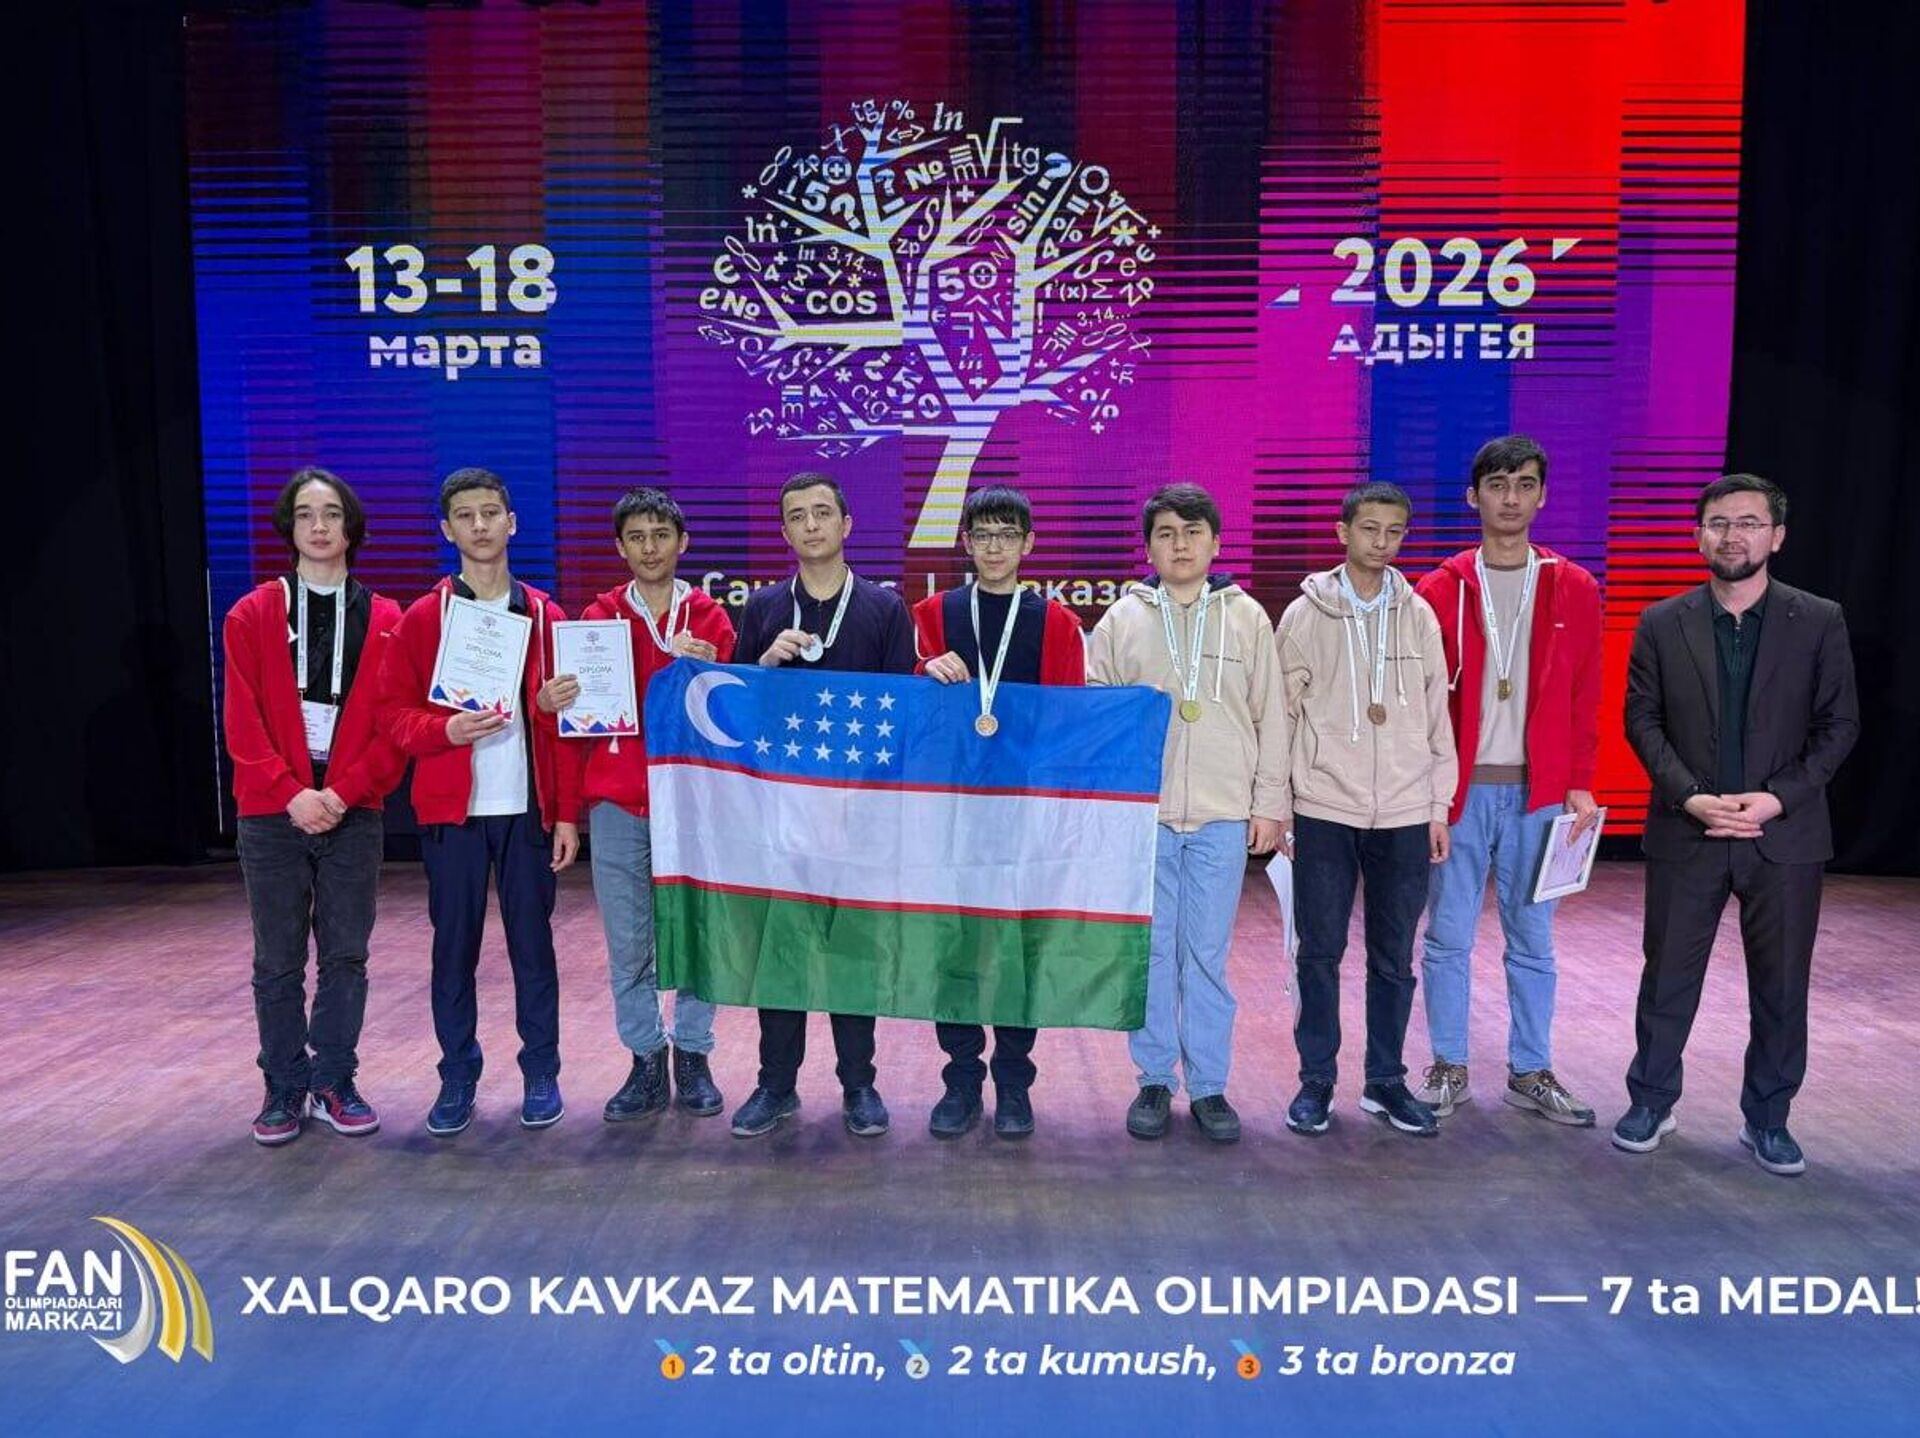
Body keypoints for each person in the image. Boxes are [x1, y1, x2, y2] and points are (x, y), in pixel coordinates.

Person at [1616, 473, 1858, 1175]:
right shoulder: (1662, 621)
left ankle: (1769, 1118)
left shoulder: (1819, 619)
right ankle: (1651, 1101)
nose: (1733, 536)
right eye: (1719, 523)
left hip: (1783, 835)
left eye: (1749, 523)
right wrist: (1691, 796)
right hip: (1687, 829)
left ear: (1776, 537)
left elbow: (1839, 725)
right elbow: (1642, 719)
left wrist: (1777, 798)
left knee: (1781, 985)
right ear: (1699, 536)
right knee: (1667, 977)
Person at [380, 467, 582, 1136]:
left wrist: (565, 812)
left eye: (491, 513)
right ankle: (458, 1076)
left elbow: (564, 727)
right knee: (453, 951)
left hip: (527, 810)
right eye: (465, 516)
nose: (480, 525)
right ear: (447, 530)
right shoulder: (423, 617)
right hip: (453, 813)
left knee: (534, 950)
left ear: (511, 522)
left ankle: (542, 1073)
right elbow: (393, 716)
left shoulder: (547, 616)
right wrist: (445, 731)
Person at [1087, 483, 1287, 1145]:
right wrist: (1111, 811)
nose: (1180, 545)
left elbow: (1271, 716)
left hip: (1222, 815)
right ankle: (1153, 1078)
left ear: (1216, 543)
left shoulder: (1247, 617)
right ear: (1148, 547)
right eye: (1166, 533)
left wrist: (1269, 805)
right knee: (1151, 954)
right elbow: (1098, 716)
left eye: (1193, 532)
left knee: (1206, 955)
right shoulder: (1122, 619)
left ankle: (1208, 1085)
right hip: (1147, 817)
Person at [1413, 436, 1603, 1128]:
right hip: (1460, 795)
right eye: (1497, 485)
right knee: (1447, 937)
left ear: (1542, 496)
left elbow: (1586, 692)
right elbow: (1422, 701)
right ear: (1474, 497)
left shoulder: (1573, 586)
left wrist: (1579, 780)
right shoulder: (1438, 589)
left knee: (1533, 941)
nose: (1511, 498)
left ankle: (1531, 1069)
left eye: (1525, 484)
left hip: (1540, 795)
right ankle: (1448, 1064)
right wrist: (1430, 794)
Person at [727, 471, 916, 1139]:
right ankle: (775, 1084)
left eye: (821, 513)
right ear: (784, 531)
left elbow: (901, 716)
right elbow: (737, 712)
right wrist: (764, 667)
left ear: (846, 524)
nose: (810, 525)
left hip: (857, 814)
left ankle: (859, 1083)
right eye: (796, 516)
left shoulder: (885, 609)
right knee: (780, 952)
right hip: (780, 814)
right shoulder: (761, 609)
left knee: (851, 952)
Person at [223, 467, 406, 1145]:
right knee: (277, 960)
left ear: (350, 527)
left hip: (353, 810)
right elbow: (242, 724)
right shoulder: (252, 613)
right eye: (305, 514)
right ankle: (283, 1086)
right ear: (289, 527)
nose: (319, 526)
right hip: (272, 814)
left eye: (331, 514)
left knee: (346, 956)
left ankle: (333, 1080)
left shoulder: (387, 619)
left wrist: (341, 794)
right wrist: (292, 793)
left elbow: (393, 728)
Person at [1277, 481, 1455, 1138]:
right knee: (1319, 953)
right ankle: (1316, 1082)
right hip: (1324, 806)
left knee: (1393, 957)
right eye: (1370, 529)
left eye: (1394, 532)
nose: (1382, 542)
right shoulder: (1305, 614)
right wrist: (1280, 805)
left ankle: (1385, 1081)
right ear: (1343, 531)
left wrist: (1438, 804)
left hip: (1405, 811)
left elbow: (1437, 717)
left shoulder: (1419, 614)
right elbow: (1281, 715)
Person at [913, 485, 1087, 1140]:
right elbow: (911, 706)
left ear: (1028, 544)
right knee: (955, 947)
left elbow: (1069, 723)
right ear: (965, 543)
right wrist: (923, 669)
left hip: (1024, 813)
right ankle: (960, 1080)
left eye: (1006, 535)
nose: (994, 547)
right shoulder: (933, 613)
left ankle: (1014, 1082)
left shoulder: (1058, 624)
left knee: (1018, 949)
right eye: (982, 534)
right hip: (952, 810)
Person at [569, 487, 736, 1123]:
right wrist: (553, 700)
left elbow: (733, 717)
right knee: (628, 939)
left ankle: (693, 1053)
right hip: (618, 801)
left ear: (682, 542)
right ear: (620, 547)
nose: (649, 548)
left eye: (661, 535)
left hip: (694, 801)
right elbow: (580, 714)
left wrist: (712, 673)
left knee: (697, 930)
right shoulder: (597, 617)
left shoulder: (712, 619)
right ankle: (644, 1057)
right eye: (636, 537)